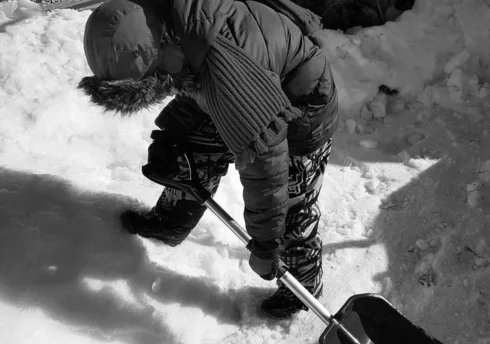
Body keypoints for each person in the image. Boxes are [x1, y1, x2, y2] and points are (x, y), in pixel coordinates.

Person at [78, 0, 339, 319]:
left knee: (290, 210)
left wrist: (266, 245)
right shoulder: (167, 20)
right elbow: (195, 84)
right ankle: (171, 220)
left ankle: (301, 289)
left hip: (303, 111)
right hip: (252, 81)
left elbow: (267, 166)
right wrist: (170, 135)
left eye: (155, 77)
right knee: (189, 146)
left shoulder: (223, 66)